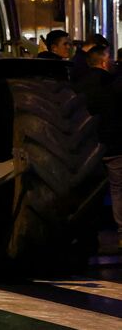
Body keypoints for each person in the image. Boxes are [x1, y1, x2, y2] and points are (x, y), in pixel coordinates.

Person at [73, 45, 122, 249]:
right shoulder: (111, 85)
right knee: (118, 189)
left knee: (88, 192)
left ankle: (87, 234)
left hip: (85, 148)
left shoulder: (78, 85)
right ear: (104, 61)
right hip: (113, 144)